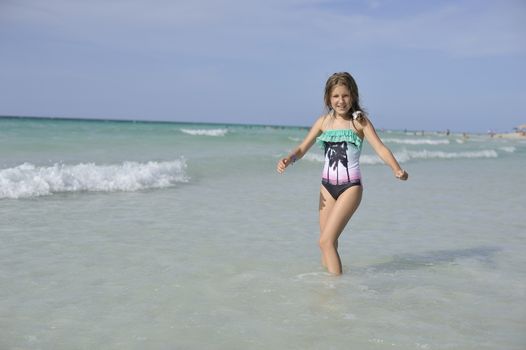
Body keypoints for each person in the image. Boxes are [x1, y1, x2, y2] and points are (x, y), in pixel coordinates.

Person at [276, 72, 408, 275]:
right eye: (336, 96)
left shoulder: (359, 122)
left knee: (325, 242)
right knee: (328, 242)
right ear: (328, 98)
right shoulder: (323, 122)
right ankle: (330, 285)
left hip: (351, 187)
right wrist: (289, 159)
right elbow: (302, 148)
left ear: (353, 96)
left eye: (345, 95)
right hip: (326, 188)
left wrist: (396, 168)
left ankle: (335, 289)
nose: (340, 101)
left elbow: (380, 148)